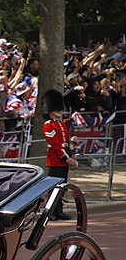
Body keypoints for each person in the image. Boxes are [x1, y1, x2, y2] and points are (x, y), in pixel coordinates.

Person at [42, 89, 76, 220]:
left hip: (62, 160)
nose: (60, 112)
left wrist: (72, 144)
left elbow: (65, 142)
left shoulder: (61, 125)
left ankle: (59, 211)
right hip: (55, 160)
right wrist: (65, 158)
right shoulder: (48, 126)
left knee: (61, 188)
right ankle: (50, 213)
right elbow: (56, 145)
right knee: (53, 188)